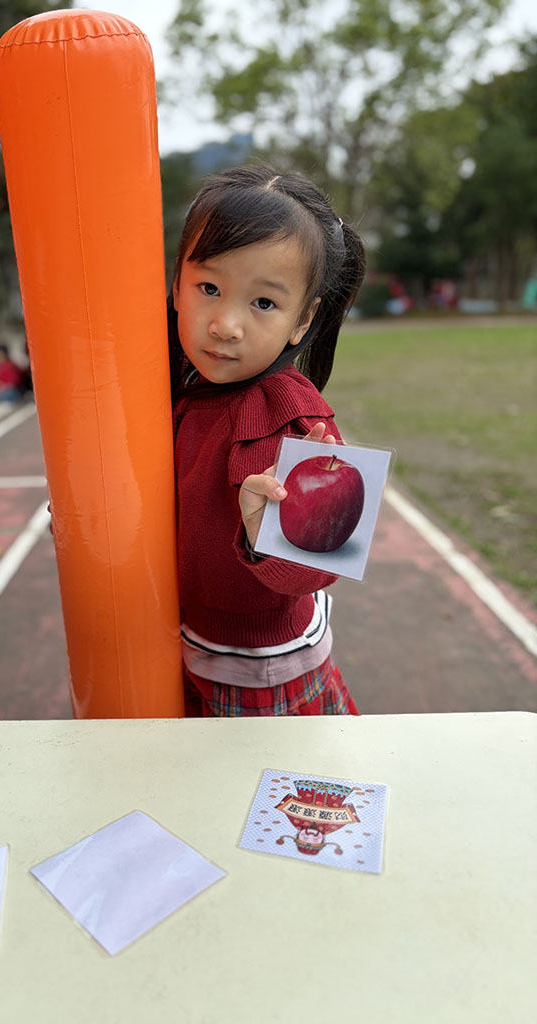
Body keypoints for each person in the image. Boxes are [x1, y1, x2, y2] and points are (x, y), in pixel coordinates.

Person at [168, 164, 366, 717]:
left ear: (302, 320)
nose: (225, 325)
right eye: (209, 288)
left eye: (263, 303)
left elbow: (324, 563)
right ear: (176, 285)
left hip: (260, 665)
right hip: (185, 637)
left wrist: (266, 533)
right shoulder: (181, 387)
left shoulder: (290, 416)